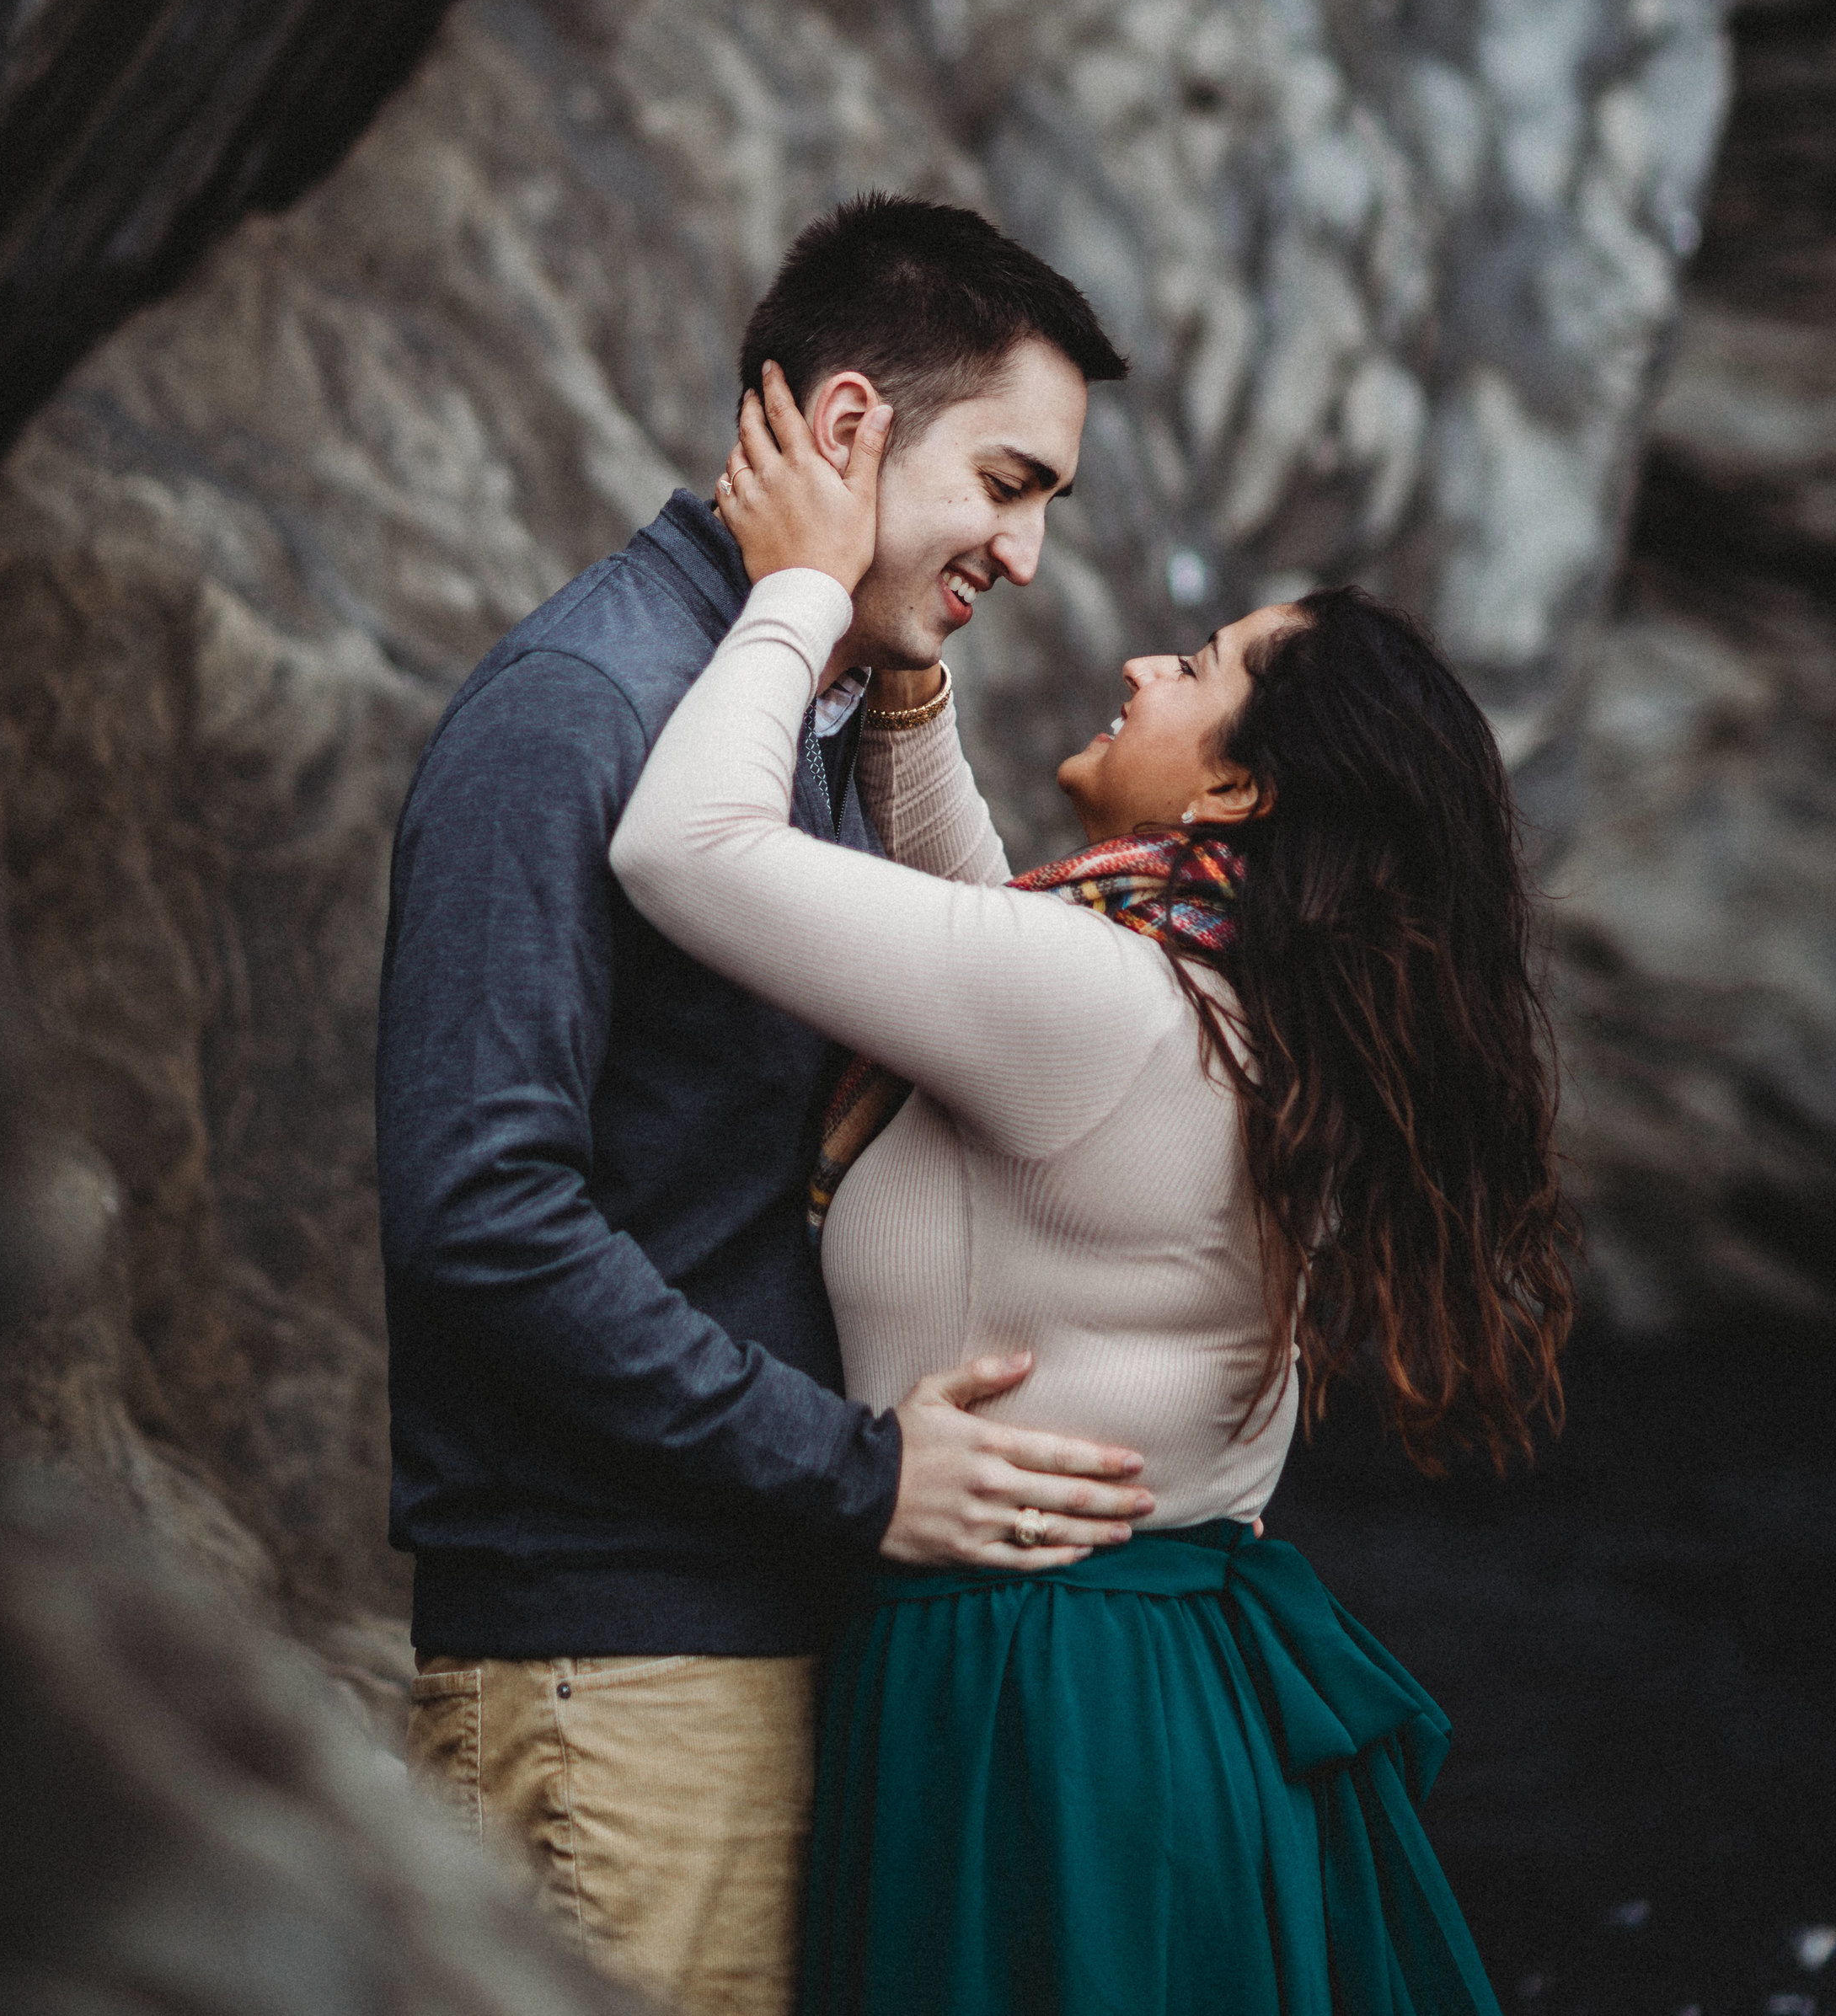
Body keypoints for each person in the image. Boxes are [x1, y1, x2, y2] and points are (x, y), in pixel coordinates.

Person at [612, 364, 1576, 2016]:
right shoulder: (1224, 1004)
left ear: (1237, 796)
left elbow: (680, 853)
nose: (1143, 661)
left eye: (1195, 669)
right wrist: (905, 688)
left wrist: (788, 591)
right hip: (1149, 1686)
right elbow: (991, 952)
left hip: (1035, 1703)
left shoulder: (1109, 1008)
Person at [377, 197, 1152, 2016]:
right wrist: (861, 1472)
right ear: (850, 427)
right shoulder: (577, 708)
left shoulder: (780, 715)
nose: (1027, 556)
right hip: (612, 1668)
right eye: (1011, 482)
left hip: (733, 1639)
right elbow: (480, 1214)